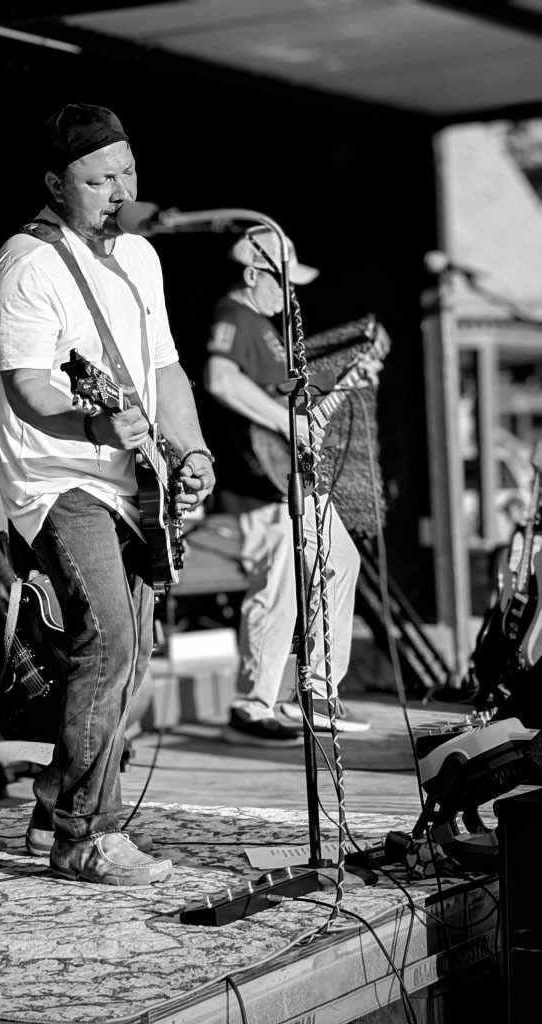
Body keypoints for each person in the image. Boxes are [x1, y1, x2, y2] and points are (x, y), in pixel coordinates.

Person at [0, 103, 215, 886]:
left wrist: (191, 449)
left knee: (130, 653)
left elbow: (163, 372)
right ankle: (85, 836)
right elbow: (27, 393)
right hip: (55, 479)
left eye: (127, 171)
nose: (119, 188)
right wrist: (96, 418)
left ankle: (55, 798)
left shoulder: (141, 259)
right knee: (108, 637)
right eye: (97, 178)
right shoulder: (26, 263)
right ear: (56, 182)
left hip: (129, 481)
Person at [203, 226, 373, 745]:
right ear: (254, 274)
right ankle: (251, 706)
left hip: (289, 475)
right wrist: (285, 421)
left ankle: (317, 695)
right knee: (277, 588)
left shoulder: (264, 324)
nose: (288, 294)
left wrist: (330, 396)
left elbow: (285, 408)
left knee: (340, 561)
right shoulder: (235, 317)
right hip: (260, 483)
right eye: (281, 282)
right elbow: (219, 379)